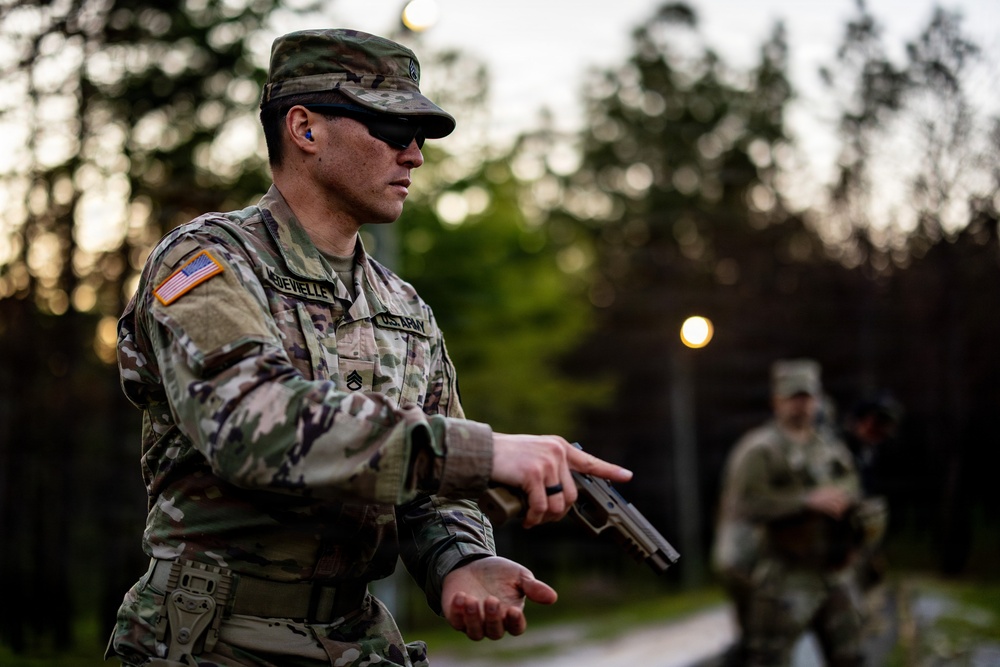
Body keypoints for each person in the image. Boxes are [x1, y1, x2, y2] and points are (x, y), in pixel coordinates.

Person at [105, 28, 632, 667]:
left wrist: (460, 562)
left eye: (420, 137)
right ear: (305, 129)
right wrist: (485, 452)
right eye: (391, 128)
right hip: (210, 639)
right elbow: (255, 424)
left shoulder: (406, 311)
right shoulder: (206, 262)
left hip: (355, 640)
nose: (413, 154)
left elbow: (438, 492)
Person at [712, 359, 864, 667]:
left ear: (817, 399)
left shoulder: (831, 448)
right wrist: (804, 501)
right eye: (793, 397)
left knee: (851, 655)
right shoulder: (760, 450)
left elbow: (852, 488)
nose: (801, 405)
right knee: (768, 658)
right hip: (784, 573)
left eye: (806, 397)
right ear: (777, 400)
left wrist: (848, 503)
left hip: (833, 571)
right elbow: (742, 505)